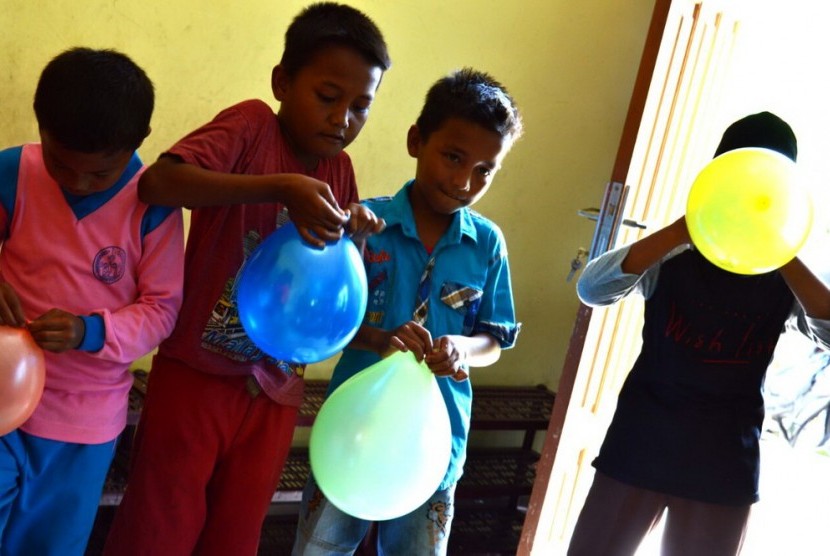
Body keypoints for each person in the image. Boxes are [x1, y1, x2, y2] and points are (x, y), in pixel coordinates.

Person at [103, 3, 391, 554]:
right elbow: (161, 183)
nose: (342, 119)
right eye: (328, 97)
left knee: (236, 533)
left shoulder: (339, 169)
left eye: (361, 107)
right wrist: (277, 187)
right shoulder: (252, 125)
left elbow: (318, 278)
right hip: (196, 373)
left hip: (277, 387)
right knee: (159, 525)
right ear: (283, 81)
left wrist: (352, 233)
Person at [567, 111, 830, 556]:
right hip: (641, 442)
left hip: (723, 461)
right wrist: (683, 228)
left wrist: (780, 244)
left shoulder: (783, 276)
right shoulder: (673, 254)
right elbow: (592, 289)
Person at [292, 67, 524, 556]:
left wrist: (463, 348)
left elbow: (493, 340)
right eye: (453, 157)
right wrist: (380, 339)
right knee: (320, 547)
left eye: (485, 169)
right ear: (416, 140)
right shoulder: (364, 224)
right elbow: (326, 326)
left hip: (434, 443)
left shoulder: (487, 244)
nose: (464, 180)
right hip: (352, 433)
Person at [0, 47, 184, 555]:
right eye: (61, 164)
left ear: (138, 141)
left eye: (99, 175)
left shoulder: (154, 206)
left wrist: (91, 332)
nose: (78, 182)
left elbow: (162, 310)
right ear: (41, 128)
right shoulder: (13, 172)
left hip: (84, 420)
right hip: (1, 398)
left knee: (52, 544)